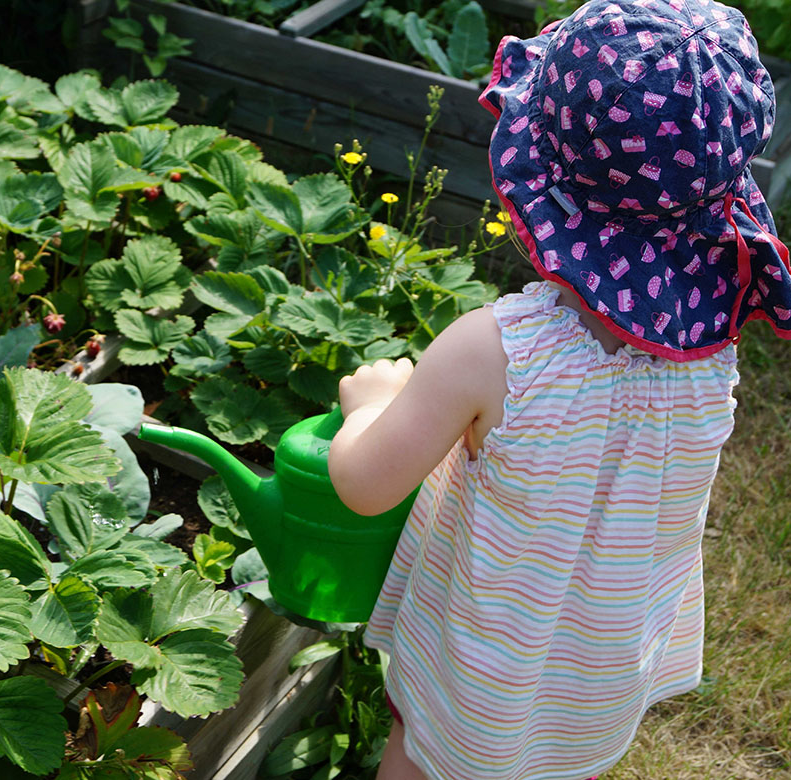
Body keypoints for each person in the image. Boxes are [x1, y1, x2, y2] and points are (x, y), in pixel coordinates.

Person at [327, 1, 791, 778]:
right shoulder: (712, 347)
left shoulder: (496, 351)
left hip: (482, 665)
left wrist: (370, 404)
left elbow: (365, 485)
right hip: (598, 674)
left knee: (423, 755)